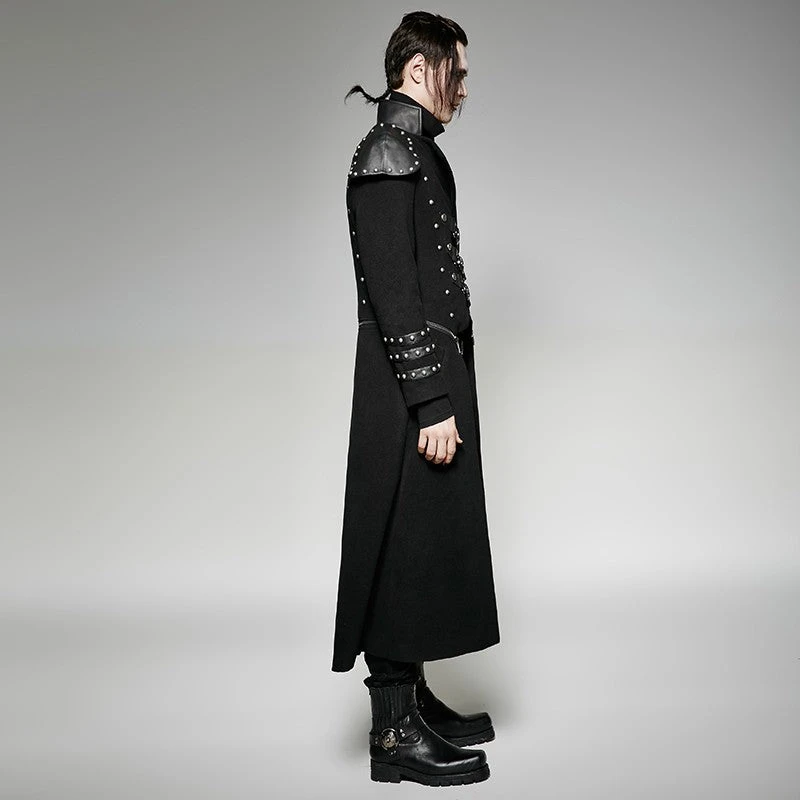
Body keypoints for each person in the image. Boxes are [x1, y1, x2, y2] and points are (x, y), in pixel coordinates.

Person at [331, 11, 501, 786]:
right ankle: (393, 735)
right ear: (417, 69)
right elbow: (394, 294)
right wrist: (430, 399)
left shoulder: (416, 150)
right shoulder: (386, 152)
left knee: (423, 541)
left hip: (431, 376)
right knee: (399, 541)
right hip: (406, 386)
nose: (462, 88)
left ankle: (415, 701)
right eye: (455, 72)